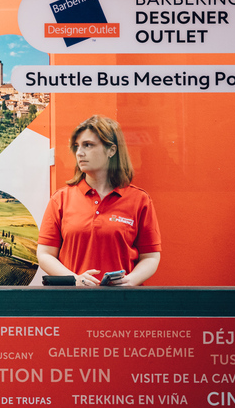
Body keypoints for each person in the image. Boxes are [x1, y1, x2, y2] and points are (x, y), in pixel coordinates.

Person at [36, 115, 161, 287]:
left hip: (123, 303)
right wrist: (75, 279)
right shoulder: (61, 199)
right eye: (77, 146)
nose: (79, 152)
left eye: (88, 145)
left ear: (112, 150)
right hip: (72, 303)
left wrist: (130, 281)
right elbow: (44, 254)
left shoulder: (139, 200)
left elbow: (151, 256)